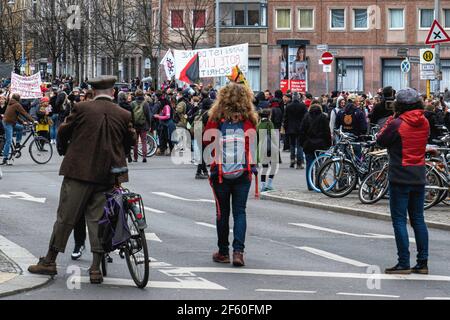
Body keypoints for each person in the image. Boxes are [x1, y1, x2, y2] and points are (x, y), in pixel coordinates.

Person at [27, 76, 136, 284]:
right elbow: (130, 139)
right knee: (97, 221)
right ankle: (95, 268)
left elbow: (63, 131)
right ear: (112, 92)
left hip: (79, 172)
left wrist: (64, 149)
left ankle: (50, 261)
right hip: (108, 175)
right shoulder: (123, 113)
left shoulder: (81, 108)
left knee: (66, 216)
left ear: (93, 92)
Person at [203, 82, 258, 267]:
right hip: (243, 172)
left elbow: (206, 143)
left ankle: (223, 251)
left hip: (220, 173)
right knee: (240, 212)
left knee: (222, 213)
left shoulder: (216, 118)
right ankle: (238, 253)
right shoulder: (249, 119)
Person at [376, 88, 430, 275]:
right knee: (418, 219)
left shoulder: (397, 123)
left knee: (399, 220)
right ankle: (422, 262)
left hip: (400, 175)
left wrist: (392, 118)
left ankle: (403, 262)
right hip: (419, 175)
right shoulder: (424, 122)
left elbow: (381, 140)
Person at [299, 103, 332, 190]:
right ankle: (318, 184)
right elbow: (327, 132)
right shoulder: (323, 117)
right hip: (320, 144)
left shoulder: (306, 117)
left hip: (308, 144)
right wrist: (329, 144)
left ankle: (310, 185)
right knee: (319, 165)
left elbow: (302, 131)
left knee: (309, 165)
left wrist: (302, 143)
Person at [1, 94, 35, 166]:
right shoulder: (17, 104)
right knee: (9, 141)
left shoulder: (10, 103)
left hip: (10, 122)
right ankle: (5, 158)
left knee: (21, 128)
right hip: (8, 123)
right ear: (18, 99)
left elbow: (15, 115)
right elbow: (24, 113)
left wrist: (22, 122)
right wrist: (33, 121)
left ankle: (17, 144)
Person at [284, 92, 308, 169]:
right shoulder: (303, 106)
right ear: (299, 98)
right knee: (300, 146)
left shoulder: (288, 106)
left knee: (292, 145)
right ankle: (299, 163)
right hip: (300, 128)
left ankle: (292, 160)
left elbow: (286, 118)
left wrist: (285, 127)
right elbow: (306, 118)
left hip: (290, 128)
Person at [257, 108, 278, 191]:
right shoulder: (269, 123)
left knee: (264, 167)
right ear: (269, 115)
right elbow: (273, 136)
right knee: (273, 166)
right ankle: (269, 183)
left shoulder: (258, 124)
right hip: (270, 147)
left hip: (261, 147)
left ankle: (262, 185)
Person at [131, 89, 152, 163]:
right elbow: (148, 115)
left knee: (135, 142)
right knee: (143, 141)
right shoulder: (145, 103)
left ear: (136, 95)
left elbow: (131, 115)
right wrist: (149, 125)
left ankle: (135, 158)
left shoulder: (133, 103)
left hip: (135, 125)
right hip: (144, 125)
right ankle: (144, 156)